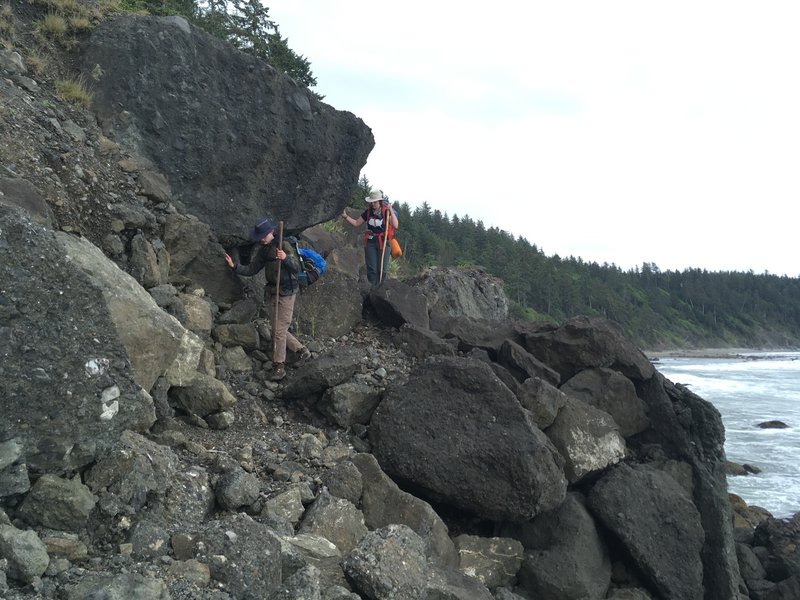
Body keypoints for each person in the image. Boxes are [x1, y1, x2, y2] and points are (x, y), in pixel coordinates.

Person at [224, 218, 311, 381]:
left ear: (271, 232)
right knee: (277, 329)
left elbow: (296, 267)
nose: (262, 239)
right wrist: (235, 266)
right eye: (260, 236)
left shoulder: (283, 245)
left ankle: (279, 366)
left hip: (287, 292)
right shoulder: (264, 250)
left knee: (278, 330)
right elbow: (252, 269)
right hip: (273, 291)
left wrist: (285, 258)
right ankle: (301, 351)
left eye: (264, 235)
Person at [341, 189, 399, 287]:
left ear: (380, 201)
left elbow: (395, 225)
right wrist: (345, 216)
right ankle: (372, 290)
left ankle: (381, 290)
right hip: (371, 242)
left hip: (384, 242)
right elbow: (356, 223)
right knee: (371, 269)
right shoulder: (368, 212)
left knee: (382, 270)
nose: (373, 204)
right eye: (372, 202)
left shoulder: (386, 212)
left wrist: (391, 212)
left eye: (375, 202)